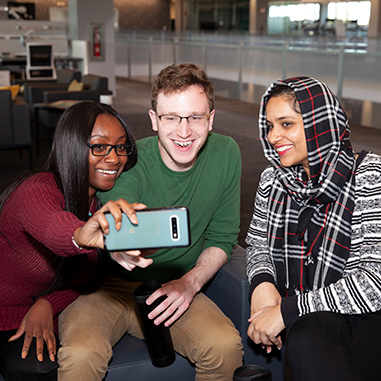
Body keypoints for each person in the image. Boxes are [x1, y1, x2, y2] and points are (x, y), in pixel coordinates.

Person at [57, 63, 244, 381]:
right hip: (108, 288)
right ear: (154, 120)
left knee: (224, 347)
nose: (183, 132)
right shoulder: (127, 162)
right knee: (81, 355)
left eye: (195, 117)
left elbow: (222, 236)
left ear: (210, 119)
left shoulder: (226, 154)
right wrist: (121, 245)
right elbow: (119, 210)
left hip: (175, 284)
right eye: (171, 118)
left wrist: (190, 283)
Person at [0, 101, 149, 381]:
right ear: (72, 146)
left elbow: (86, 280)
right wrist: (81, 236)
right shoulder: (35, 191)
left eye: (120, 146)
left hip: (38, 311)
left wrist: (46, 304)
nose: (115, 158)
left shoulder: (96, 206)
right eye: (100, 146)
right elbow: (54, 228)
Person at [245, 76, 381, 381]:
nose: (273, 136)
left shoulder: (370, 175)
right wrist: (263, 284)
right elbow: (257, 246)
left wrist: (286, 311)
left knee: (308, 333)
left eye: (286, 124)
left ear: (321, 123)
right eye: (269, 126)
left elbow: (374, 283)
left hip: (368, 321)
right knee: (309, 333)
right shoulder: (273, 180)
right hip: (313, 325)